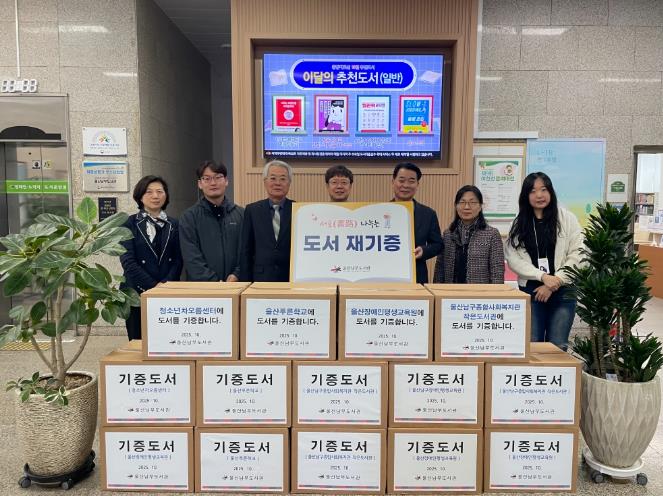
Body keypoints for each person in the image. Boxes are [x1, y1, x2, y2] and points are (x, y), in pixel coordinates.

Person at [504, 172, 583, 351]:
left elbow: (578, 253)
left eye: (543, 189)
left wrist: (555, 281)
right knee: (533, 345)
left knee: (558, 345)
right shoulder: (518, 223)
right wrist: (542, 276)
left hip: (563, 290)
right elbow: (513, 258)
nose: (539, 195)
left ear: (551, 192)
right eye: (533, 191)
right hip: (532, 291)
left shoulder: (567, 218)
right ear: (526, 195)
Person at [120, 175, 182, 340]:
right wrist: (154, 286)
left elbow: (178, 260)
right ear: (140, 196)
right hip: (136, 292)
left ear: (166, 195)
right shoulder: (129, 224)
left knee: (166, 340)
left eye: (160, 192)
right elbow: (128, 262)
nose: (155, 196)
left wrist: (165, 285)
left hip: (167, 292)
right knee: (138, 341)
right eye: (149, 192)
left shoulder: (175, 224)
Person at [179, 160, 244, 282]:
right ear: (200, 184)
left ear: (226, 181)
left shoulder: (241, 214)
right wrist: (214, 282)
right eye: (207, 179)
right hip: (202, 289)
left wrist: (237, 274)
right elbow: (191, 258)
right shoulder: (189, 217)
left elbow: (247, 251)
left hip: (236, 285)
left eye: (218, 177)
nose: (213, 183)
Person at [433, 185, 504, 284]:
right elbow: (440, 269)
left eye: (472, 202)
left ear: (480, 206)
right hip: (450, 291)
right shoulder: (448, 234)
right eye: (462, 202)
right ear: (456, 206)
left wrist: (496, 292)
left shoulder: (492, 234)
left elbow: (497, 272)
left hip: (480, 291)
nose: (466, 207)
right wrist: (437, 289)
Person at [240, 160, 294, 282]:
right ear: (265, 182)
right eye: (273, 178)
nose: (277, 183)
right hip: (260, 278)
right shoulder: (252, 210)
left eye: (283, 179)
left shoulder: (298, 210)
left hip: (290, 278)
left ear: (289, 183)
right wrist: (245, 282)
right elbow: (246, 250)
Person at [391, 162, 443, 284]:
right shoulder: (380, 211)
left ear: (417, 184)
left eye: (411, 181)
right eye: (401, 180)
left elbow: (438, 245)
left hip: (417, 276)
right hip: (387, 275)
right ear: (393, 182)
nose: (405, 185)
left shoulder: (428, 214)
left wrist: (423, 250)